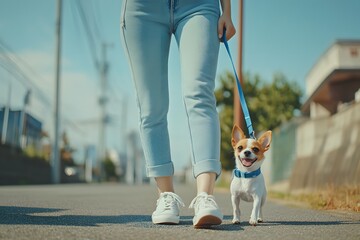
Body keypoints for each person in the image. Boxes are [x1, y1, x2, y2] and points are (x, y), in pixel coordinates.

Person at [120, 0, 235, 228]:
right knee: (151, 105)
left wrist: (228, 11)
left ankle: (205, 196)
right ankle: (166, 196)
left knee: (200, 94)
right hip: (143, 8)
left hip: (199, 5)